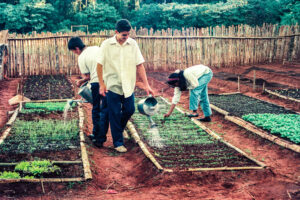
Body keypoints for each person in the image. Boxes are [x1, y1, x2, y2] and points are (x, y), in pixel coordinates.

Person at [96, 19, 155, 153]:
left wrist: (146, 85)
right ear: (116, 32)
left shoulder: (132, 44)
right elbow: (99, 65)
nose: (126, 37)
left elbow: (139, 65)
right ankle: (118, 143)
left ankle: (118, 130)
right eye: (124, 35)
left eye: (128, 34)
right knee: (115, 114)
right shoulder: (106, 45)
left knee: (129, 110)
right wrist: (101, 84)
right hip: (112, 85)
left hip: (128, 85)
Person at [68, 37, 109, 148]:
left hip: (97, 82)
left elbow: (87, 76)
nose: (75, 53)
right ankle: (98, 134)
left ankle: (98, 138)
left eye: (73, 51)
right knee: (106, 109)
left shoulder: (82, 57)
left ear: (76, 48)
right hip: (109, 81)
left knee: (96, 109)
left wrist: (80, 81)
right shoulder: (96, 48)